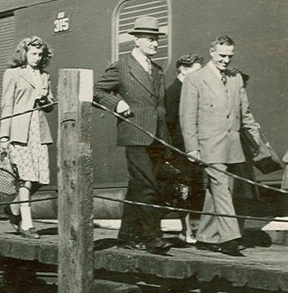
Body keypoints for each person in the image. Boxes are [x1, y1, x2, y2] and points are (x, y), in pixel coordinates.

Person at [93, 16, 172, 255]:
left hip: (157, 138)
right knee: (147, 186)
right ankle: (153, 238)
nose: (155, 44)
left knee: (140, 186)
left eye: (157, 39)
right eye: (150, 39)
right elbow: (96, 91)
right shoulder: (121, 66)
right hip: (135, 135)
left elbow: (160, 108)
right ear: (136, 40)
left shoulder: (157, 70)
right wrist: (116, 104)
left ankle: (127, 235)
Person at [181, 35, 261, 256]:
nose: (226, 60)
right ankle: (230, 237)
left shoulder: (236, 79)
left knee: (217, 191)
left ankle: (206, 236)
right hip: (209, 145)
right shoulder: (195, 79)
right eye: (222, 56)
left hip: (232, 144)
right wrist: (192, 147)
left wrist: (257, 142)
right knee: (220, 185)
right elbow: (187, 117)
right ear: (212, 52)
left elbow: (245, 114)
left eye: (230, 56)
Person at [0, 37, 56, 238]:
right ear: (24, 53)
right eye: (33, 53)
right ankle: (27, 224)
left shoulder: (45, 76)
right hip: (19, 132)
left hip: (38, 132)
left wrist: (44, 98)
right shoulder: (13, 74)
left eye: (40, 54)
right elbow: (7, 105)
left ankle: (14, 208)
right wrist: (4, 137)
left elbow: (49, 107)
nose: (37, 58)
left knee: (40, 178)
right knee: (26, 178)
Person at [164, 53, 204, 245]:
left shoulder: (189, 88)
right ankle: (186, 230)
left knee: (192, 189)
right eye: (196, 71)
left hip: (191, 148)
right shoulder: (174, 92)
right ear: (183, 70)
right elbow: (172, 124)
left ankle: (189, 230)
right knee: (184, 190)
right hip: (181, 150)